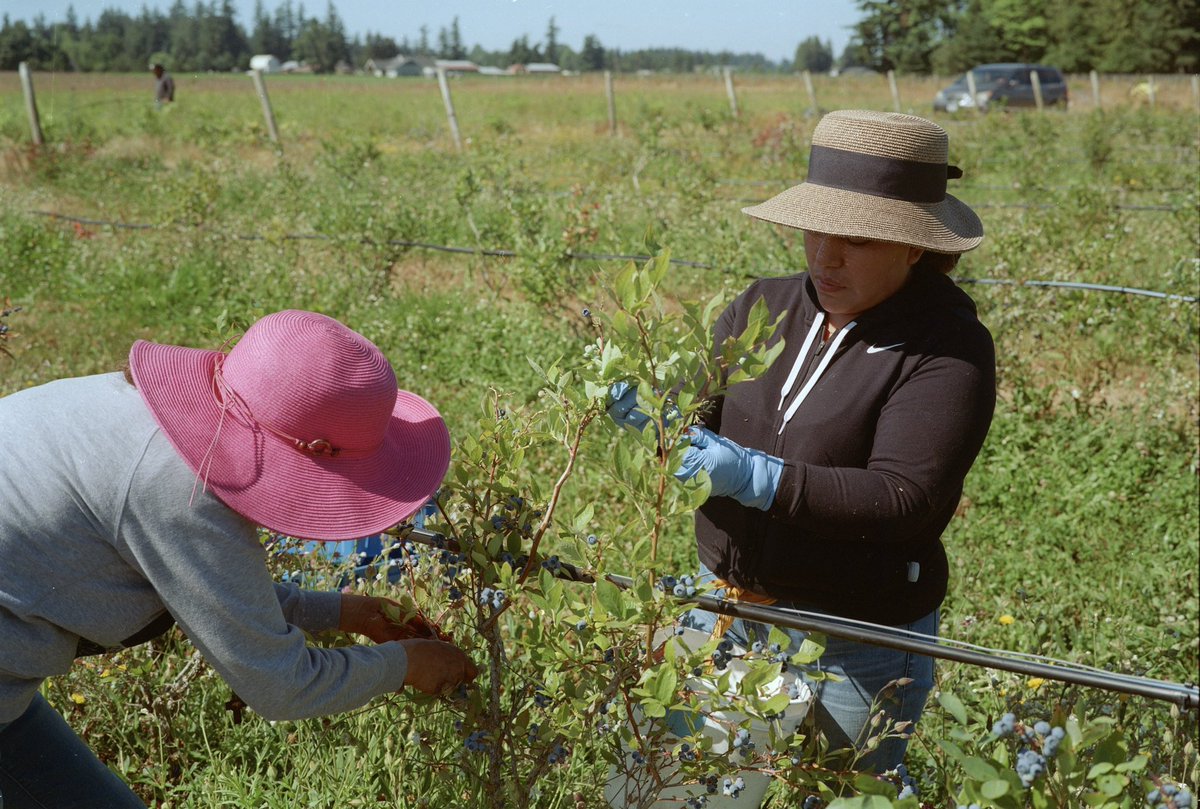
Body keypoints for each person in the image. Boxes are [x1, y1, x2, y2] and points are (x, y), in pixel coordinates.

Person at [609, 110, 995, 773]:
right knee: (684, 784)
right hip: (725, 610)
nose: (826, 255)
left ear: (915, 245)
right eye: (816, 228)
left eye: (859, 239)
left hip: (853, 639)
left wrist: (759, 477)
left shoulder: (946, 347)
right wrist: (659, 418)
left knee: (823, 790)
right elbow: (704, 415)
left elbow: (905, 496)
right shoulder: (767, 305)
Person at [0, 309, 478, 807]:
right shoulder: (179, 492)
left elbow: (202, 587)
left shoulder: (140, 420)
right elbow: (282, 686)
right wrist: (405, 665)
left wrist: (344, 612)